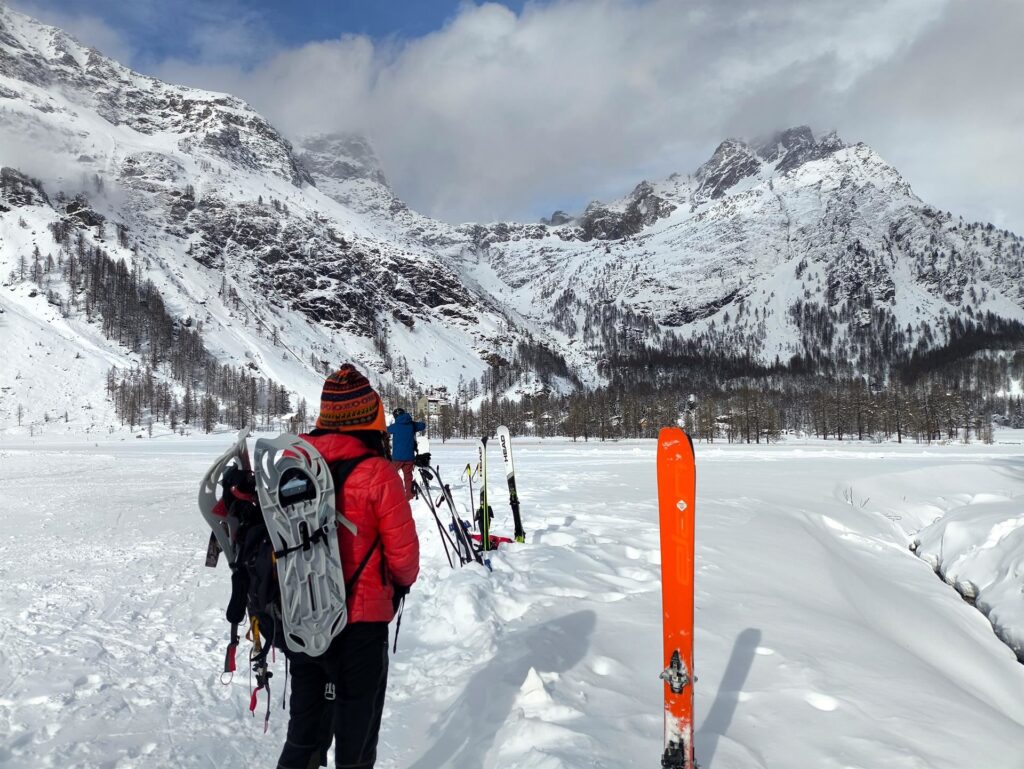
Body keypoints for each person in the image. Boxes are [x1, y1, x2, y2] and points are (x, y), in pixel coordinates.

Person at [279, 364, 419, 769]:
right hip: (360, 625)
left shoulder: (292, 462)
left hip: (304, 617)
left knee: (304, 735)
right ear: (368, 417)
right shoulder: (378, 474)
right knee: (355, 743)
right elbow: (405, 561)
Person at [386, 407, 426, 500]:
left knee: (390, 475)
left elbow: (385, 429)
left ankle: (391, 495)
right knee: (408, 477)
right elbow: (423, 426)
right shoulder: (412, 424)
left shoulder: (394, 426)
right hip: (409, 457)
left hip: (397, 458)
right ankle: (409, 496)